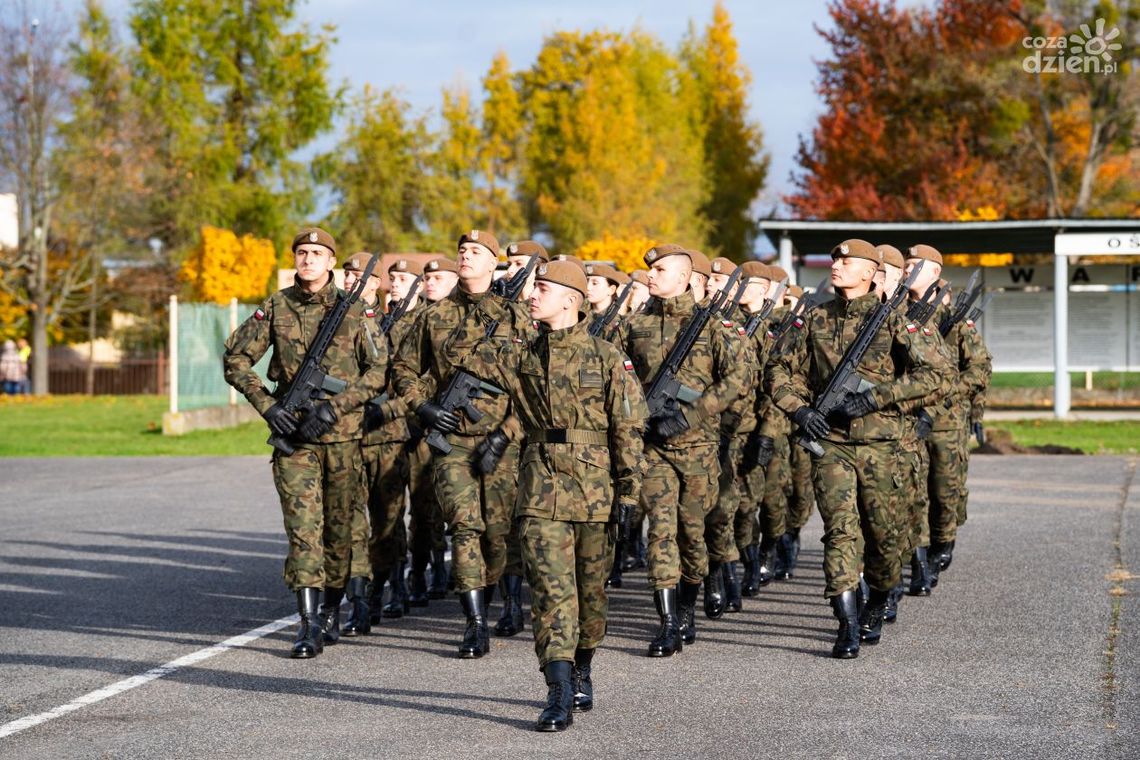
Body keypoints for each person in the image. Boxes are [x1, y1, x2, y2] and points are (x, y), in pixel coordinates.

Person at [441, 259, 647, 731]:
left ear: (571, 301)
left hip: (596, 490)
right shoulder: (519, 352)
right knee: (552, 594)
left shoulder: (606, 356)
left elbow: (629, 428)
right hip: (539, 489)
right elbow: (459, 354)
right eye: (532, 289)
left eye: (543, 289)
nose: (533, 295)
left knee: (590, 597)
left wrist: (630, 496)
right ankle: (556, 691)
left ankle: (583, 668)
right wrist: (493, 299)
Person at [769, 239, 940, 659]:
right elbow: (777, 369)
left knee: (885, 540)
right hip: (833, 445)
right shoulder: (815, 318)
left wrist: (876, 397)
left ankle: (880, 597)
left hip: (885, 447)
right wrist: (800, 410)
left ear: (870, 272)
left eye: (849, 261)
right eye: (835, 259)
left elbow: (936, 375)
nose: (838, 265)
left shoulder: (896, 320)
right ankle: (845, 624)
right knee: (841, 532)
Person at [223, 227, 387, 659]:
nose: (308, 259)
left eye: (317, 253)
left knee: (337, 533)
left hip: (342, 438)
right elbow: (236, 357)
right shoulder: (277, 306)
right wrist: (267, 405)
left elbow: (378, 371)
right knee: (303, 531)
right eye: (302, 252)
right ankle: (309, 624)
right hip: (294, 439)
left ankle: (332, 608)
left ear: (332, 262)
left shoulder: (355, 312)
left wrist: (337, 406)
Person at [390, 230, 527, 659]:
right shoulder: (434, 316)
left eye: (476, 252)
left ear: (493, 264)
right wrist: (423, 408)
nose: (466, 256)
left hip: (502, 442)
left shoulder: (517, 316)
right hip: (451, 443)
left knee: (499, 533)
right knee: (464, 528)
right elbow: (403, 369)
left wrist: (508, 432)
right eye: (462, 250)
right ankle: (475, 625)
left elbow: (537, 385)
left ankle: (506, 600)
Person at [616, 244, 746, 656]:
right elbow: (615, 376)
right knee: (661, 531)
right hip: (652, 447)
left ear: (687, 277)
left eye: (661, 268)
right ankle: (668, 623)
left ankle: (687, 605)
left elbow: (737, 379)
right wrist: (638, 417)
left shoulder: (713, 327)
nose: (651, 274)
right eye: (649, 269)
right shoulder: (633, 325)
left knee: (693, 535)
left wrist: (691, 415)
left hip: (698, 448)